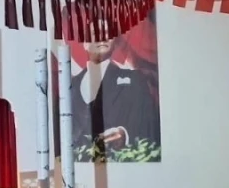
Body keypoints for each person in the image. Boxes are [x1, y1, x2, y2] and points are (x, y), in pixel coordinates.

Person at [69, 21, 161, 158]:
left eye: (108, 33)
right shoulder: (70, 86)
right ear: (85, 43)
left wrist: (125, 135)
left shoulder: (136, 80)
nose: (103, 37)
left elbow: (150, 125)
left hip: (121, 162)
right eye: (96, 33)